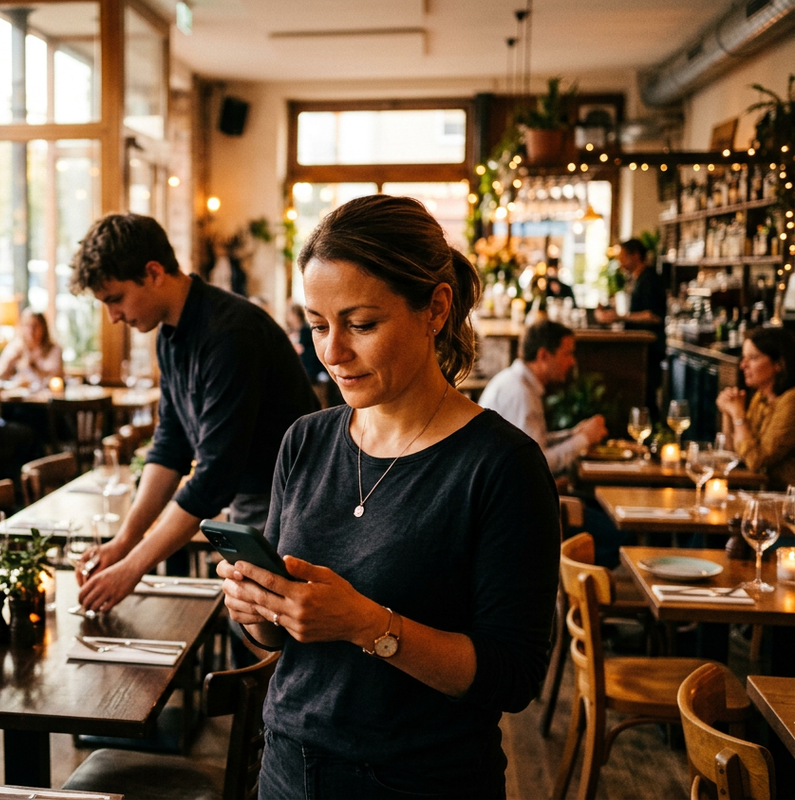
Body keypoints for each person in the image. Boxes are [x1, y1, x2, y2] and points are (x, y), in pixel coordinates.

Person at [215, 195, 558, 799]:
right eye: (318, 326)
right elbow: (278, 640)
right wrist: (258, 611)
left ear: (435, 308)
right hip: (286, 767)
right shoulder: (306, 440)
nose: (333, 353)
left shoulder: (501, 465)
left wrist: (368, 625)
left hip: (421, 781)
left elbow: (512, 676)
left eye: (361, 324)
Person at [68, 213, 320, 614]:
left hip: (291, 501)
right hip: (250, 496)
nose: (113, 316)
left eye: (114, 299)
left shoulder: (230, 333)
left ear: (153, 273)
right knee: (244, 620)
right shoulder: (170, 333)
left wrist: (133, 568)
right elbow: (170, 446)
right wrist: (124, 542)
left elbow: (214, 477)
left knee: (260, 628)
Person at [478, 319, 607, 475]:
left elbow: (535, 444)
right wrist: (584, 439)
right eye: (567, 354)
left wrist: (574, 434)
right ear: (543, 355)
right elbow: (533, 465)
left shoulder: (520, 383)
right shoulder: (520, 393)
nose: (572, 361)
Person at [716, 326, 795, 490]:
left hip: (786, 502)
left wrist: (738, 413)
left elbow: (756, 461)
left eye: (753, 358)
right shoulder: (761, 396)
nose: (743, 365)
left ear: (778, 364)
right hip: (762, 494)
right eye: (743, 357)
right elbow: (733, 455)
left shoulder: (791, 401)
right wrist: (727, 412)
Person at [595, 238, 665, 413]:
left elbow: (653, 316)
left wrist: (619, 316)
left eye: (623, 257)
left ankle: (651, 434)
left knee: (646, 397)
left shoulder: (649, 279)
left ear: (635, 255)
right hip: (641, 349)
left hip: (649, 350)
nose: (620, 263)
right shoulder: (637, 279)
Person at [0, 308, 64, 387]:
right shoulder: (16, 347)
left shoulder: (54, 349)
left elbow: (57, 377)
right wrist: (9, 363)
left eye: (35, 326)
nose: (31, 330)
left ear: (43, 327)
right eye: (27, 325)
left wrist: (34, 366)